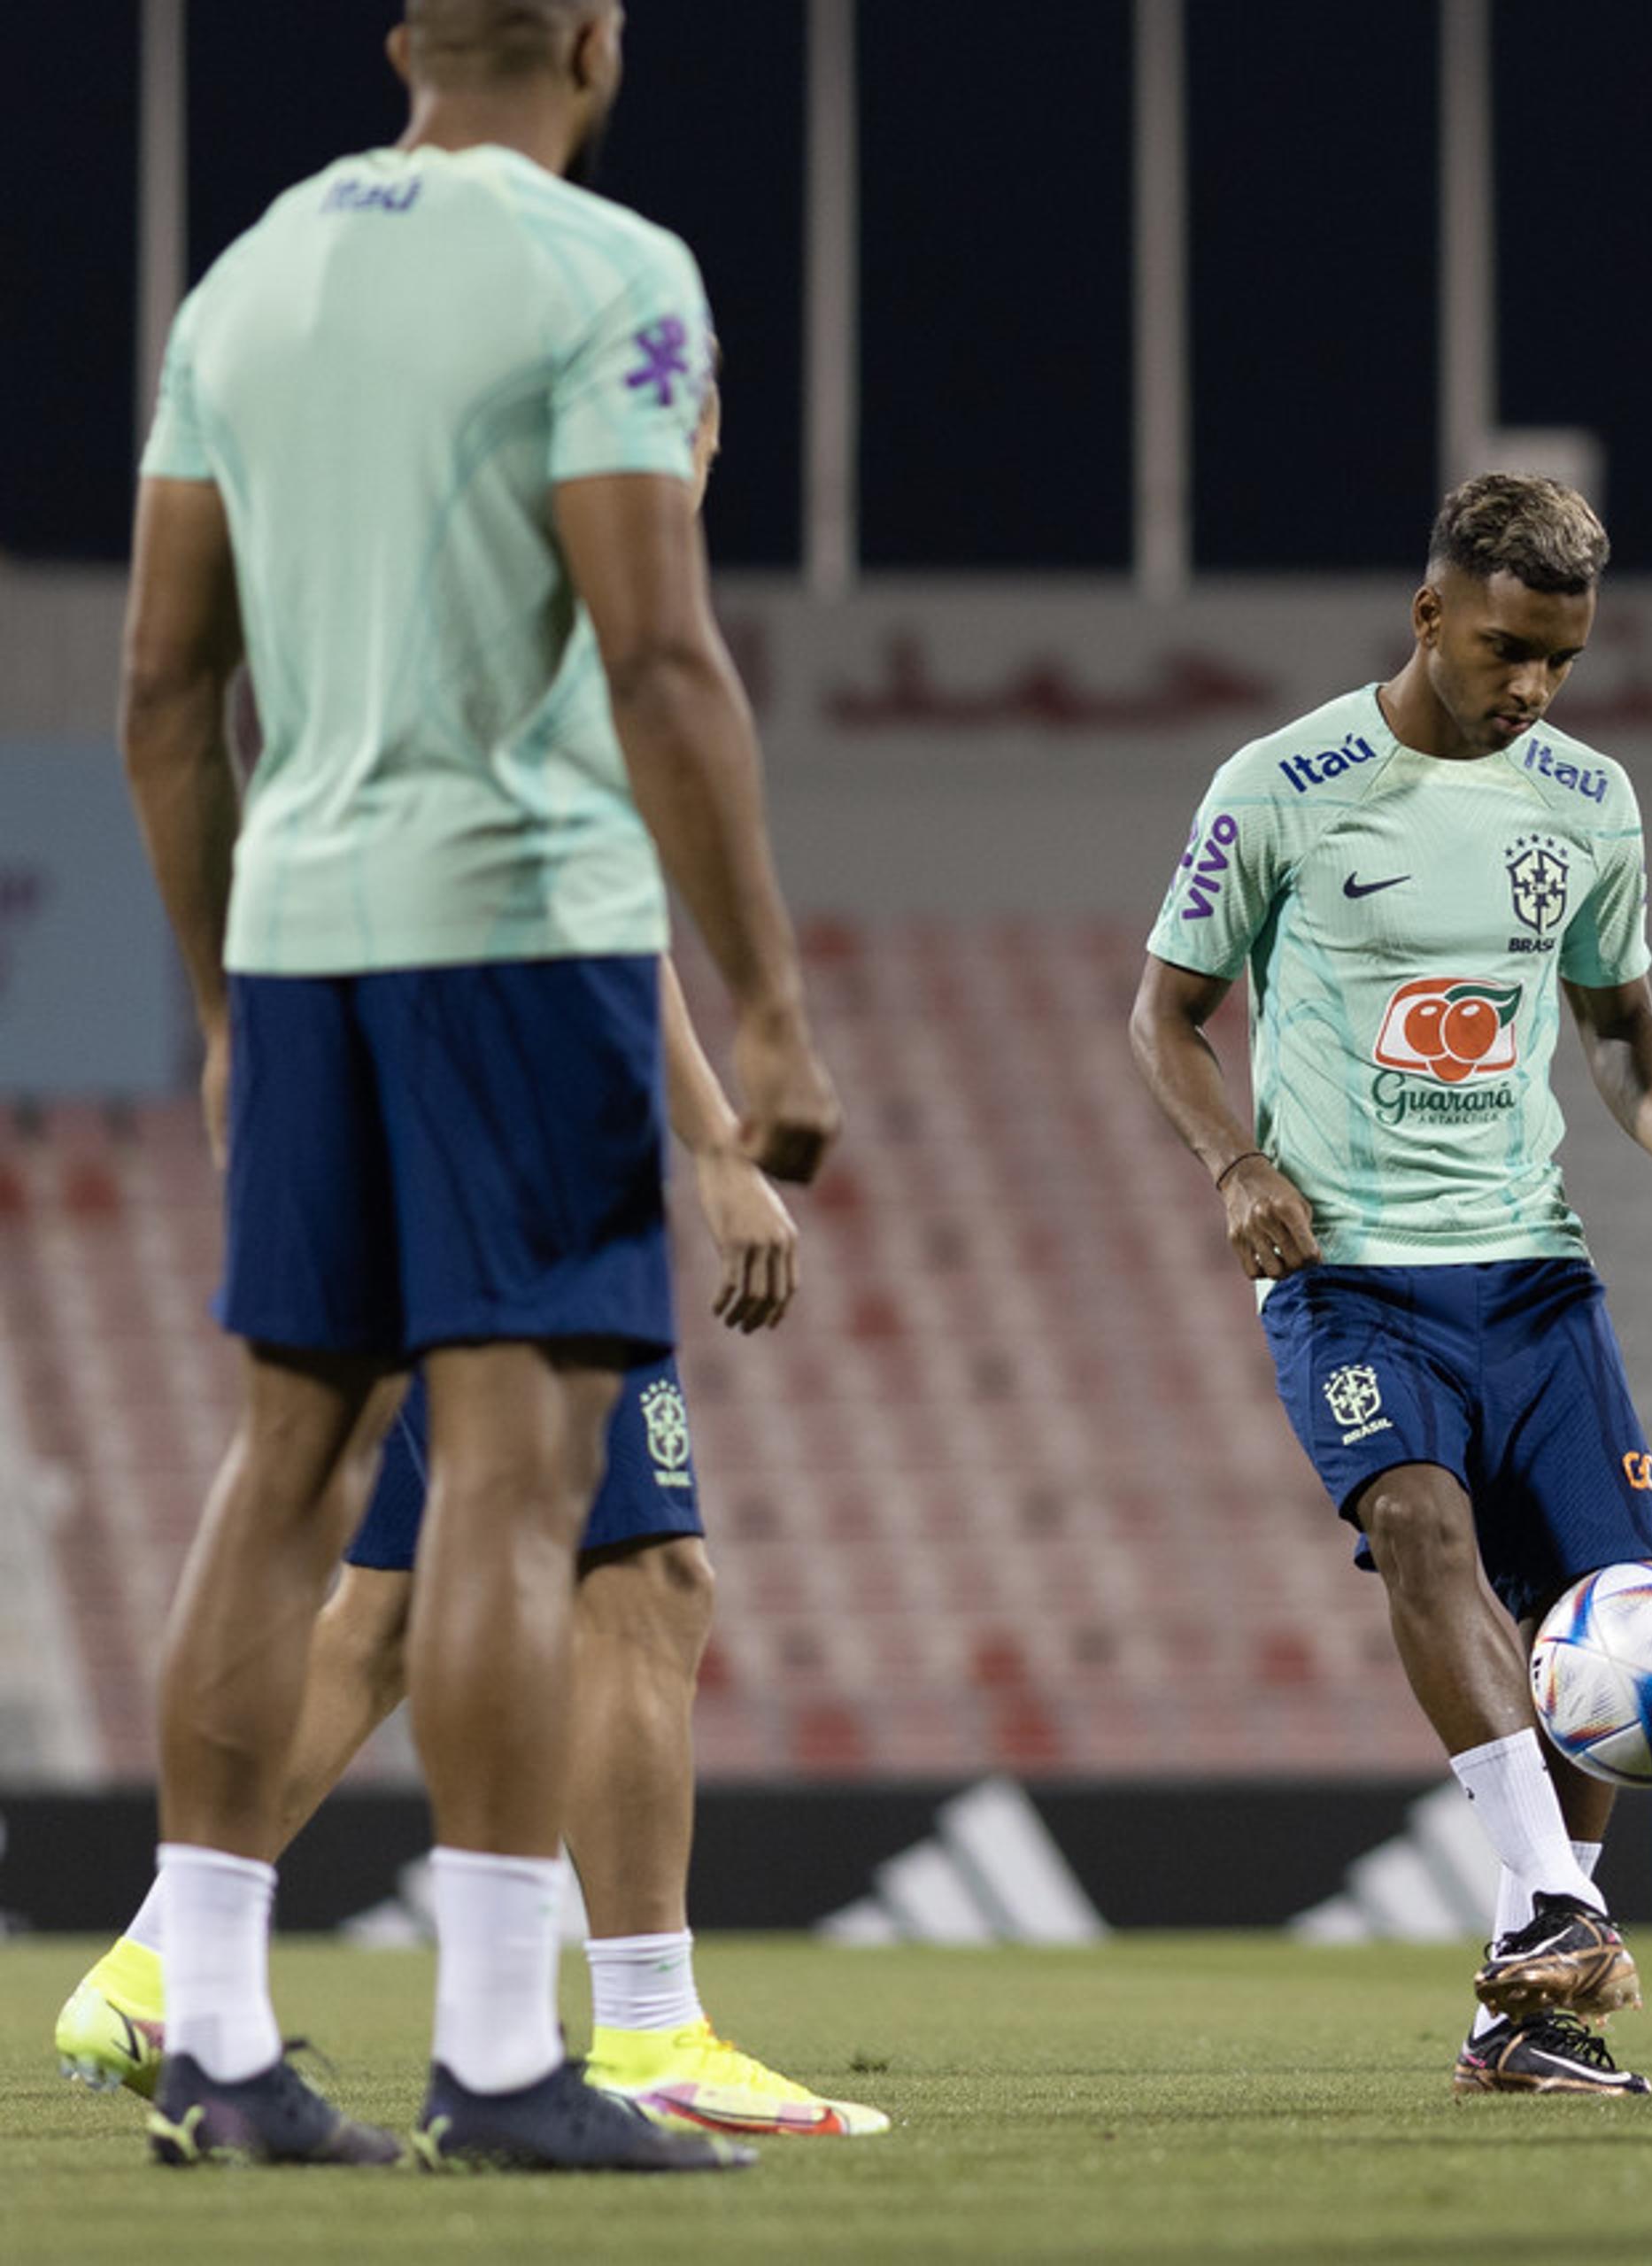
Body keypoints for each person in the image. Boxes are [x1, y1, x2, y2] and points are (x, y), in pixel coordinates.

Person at [114, 0, 836, 2169]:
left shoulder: (243, 278)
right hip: (516, 928)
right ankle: (506, 2056)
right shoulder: (606, 273)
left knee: (287, 1469)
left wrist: (232, 1008)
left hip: (307, 934)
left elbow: (163, 687)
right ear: (598, 45)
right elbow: (657, 652)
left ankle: (218, 2034)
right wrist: (771, 1004)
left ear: (400, 32)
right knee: (521, 1480)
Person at [1127, 474, 1652, 2098]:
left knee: (1611, 1628)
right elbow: (1163, 1015)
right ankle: (1554, 1901)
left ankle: (1523, 2013)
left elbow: (1618, 1019)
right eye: (1502, 649)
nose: (1530, 687)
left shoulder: (1587, 801)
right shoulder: (1282, 786)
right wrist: (1235, 1166)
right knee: (1418, 1523)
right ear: (1429, 614)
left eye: (1560, 659)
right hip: (1351, 1275)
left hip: (1535, 1272)